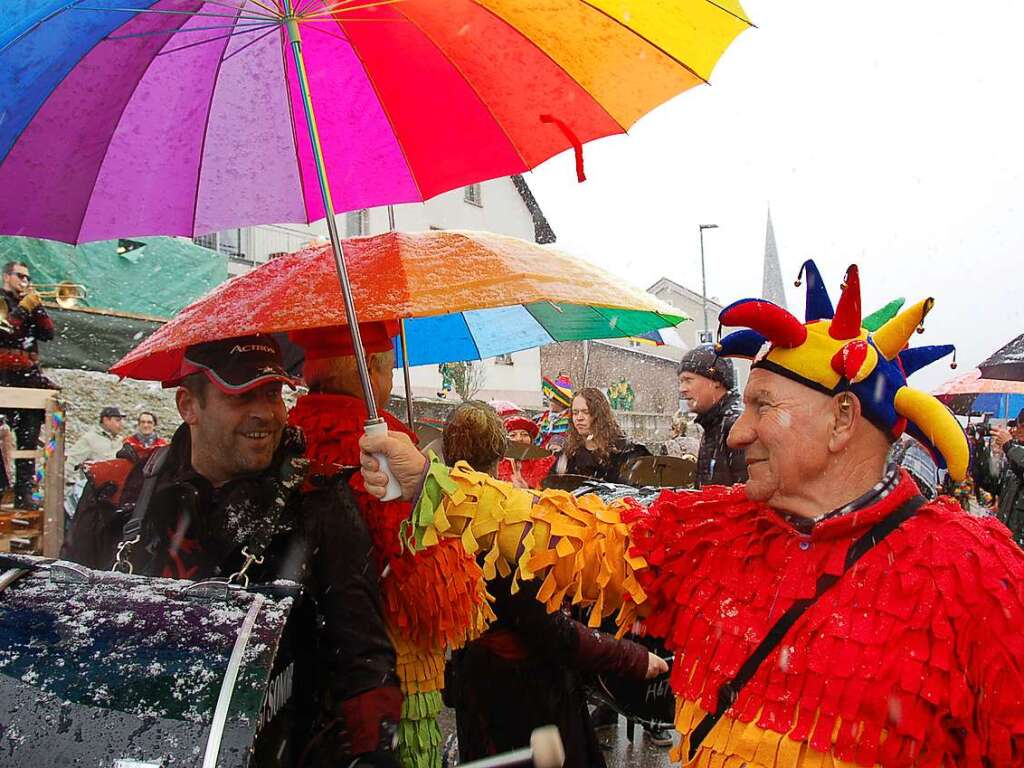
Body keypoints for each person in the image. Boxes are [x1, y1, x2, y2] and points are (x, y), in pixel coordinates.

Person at [359, 262, 1024, 767]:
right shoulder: (713, 527)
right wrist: (434, 487)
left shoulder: (980, 577)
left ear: (844, 419)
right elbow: (571, 532)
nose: (737, 434)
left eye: (764, 407)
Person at [62, 335, 401, 767]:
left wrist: (374, 755)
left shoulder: (319, 501)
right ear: (188, 406)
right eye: (241, 395)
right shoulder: (116, 493)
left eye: (273, 392)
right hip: (121, 743)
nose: (267, 413)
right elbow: (64, 633)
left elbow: (364, 659)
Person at [287, 322, 486, 768]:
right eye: (389, 366)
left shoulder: (283, 439)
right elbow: (431, 602)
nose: (392, 379)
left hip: (311, 672)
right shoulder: (385, 445)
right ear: (369, 368)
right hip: (390, 672)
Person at [441, 401, 666, 768]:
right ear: (499, 454)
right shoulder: (502, 527)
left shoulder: (437, 510)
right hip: (522, 698)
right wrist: (633, 658)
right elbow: (551, 633)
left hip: (475, 682)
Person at [0, 260, 56, 509]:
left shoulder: (30, 304)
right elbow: (5, 330)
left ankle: (25, 494)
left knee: (29, 438)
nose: (25, 281)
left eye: (27, 277)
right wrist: (24, 308)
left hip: (28, 379)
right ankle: (3, 488)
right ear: (6, 277)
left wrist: (39, 308)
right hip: (3, 377)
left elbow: (47, 334)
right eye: (20, 276)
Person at [676, 344, 747, 486]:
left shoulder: (735, 426)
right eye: (681, 382)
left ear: (716, 381)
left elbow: (745, 496)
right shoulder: (713, 423)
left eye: (688, 380)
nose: (682, 389)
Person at [553, 387, 649, 483]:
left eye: (586, 412)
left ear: (599, 415)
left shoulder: (627, 451)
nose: (579, 418)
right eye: (575, 413)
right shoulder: (568, 454)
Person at [977, 410, 1024, 545]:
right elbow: (991, 483)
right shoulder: (1014, 457)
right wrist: (985, 451)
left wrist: (1008, 446)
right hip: (1007, 541)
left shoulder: (1015, 454)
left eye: (1019, 426)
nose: (1015, 430)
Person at [496, 412, 555, 489]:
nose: (519, 439)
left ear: (531, 440)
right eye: (513, 435)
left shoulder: (546, 462)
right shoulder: (496, 463)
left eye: (524, 434)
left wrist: (528, 489)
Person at [65, 406, 126, 471]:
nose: (122, 424)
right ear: (106, 420)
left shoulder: (121, 441)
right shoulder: (90, 439)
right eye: (118, 420)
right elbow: (71, 463)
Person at [535, 373, 573, 452]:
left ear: (561, 402)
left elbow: (570, 440)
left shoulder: (570, 419)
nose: (550, 402)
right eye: (550, 398)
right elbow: (538, 439)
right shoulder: (543, 417)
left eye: (554, 399)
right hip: (541, 457)